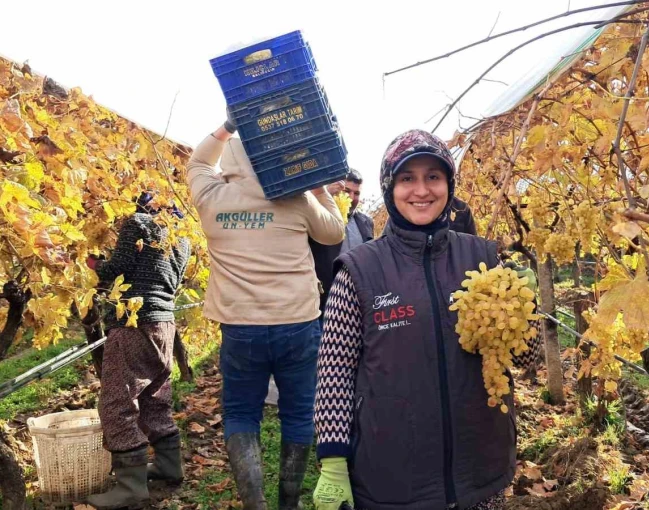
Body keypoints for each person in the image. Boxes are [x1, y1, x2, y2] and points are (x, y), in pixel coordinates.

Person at [313, 130, 533, 510]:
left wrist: (524, 310)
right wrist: (332, 460)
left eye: (433, 176)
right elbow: (335, 370)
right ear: (389, 188)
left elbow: (524, 360)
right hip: (393, 478)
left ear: (449, 183)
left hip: (480, 469)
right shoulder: (360, 270)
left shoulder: (484, 259)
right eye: (407, 178)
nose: (421, 190)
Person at [186, 119, 345, 510]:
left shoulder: (212, 196)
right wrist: (318, 186)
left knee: (241, 412)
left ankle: (255, 504)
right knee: (298, 412)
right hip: (298, 323)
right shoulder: (297, 199)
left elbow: (197, 163)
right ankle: (288, 503)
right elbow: (334, 233)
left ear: (234, 160)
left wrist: (226, 128)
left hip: (240, 328)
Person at [85, 194, 191, 510]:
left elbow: (117, 268)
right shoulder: (181, 234)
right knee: (153, 395)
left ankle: (130, 486)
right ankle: (170, 466)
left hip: (134, 322)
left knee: (117, 400)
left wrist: (91, 262)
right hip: (164, 324)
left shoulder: (138, 222)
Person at [310, 168, 374, 313]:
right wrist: (324, 194)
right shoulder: (320, 217)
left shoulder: (366, 222)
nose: (352, 197)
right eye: (347, 191)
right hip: (324, 301)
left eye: (356, 193)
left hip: (358, 300)